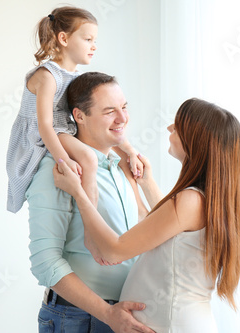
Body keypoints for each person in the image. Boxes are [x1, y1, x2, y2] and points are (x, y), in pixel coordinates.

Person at [54, 98, 240, 332]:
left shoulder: (190, 201)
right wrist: (146, 183)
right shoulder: (207, 200)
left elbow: (113, 250)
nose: (169, 128)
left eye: (178, 124)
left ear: (196, 139)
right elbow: (166, 228)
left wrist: (79, 193)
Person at [26, 71, 154, 333]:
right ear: (80, 116)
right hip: (78, 318)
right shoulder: (59, 171)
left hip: (123, 317)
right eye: (110, 111)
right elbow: (45, 262)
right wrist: (107, 313)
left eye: (124, 108)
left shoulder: (123, 169)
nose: (122, 118)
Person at [6, 6, 142, 214]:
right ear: (64, 38)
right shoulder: (47, 76)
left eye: (95, 41)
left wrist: (131, 151)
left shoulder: (77, 77)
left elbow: (105, 120)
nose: (94, 46)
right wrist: (64, 160)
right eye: (88, 40)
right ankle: (91, 218)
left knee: (108, 147)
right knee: (88, 158)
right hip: (44, 130)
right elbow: (44, 125)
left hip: (63, 127)